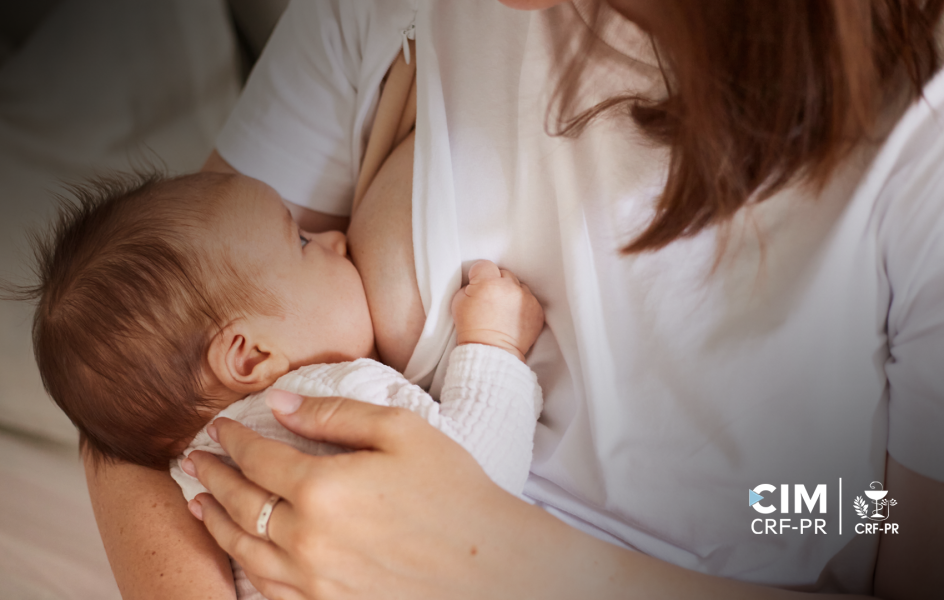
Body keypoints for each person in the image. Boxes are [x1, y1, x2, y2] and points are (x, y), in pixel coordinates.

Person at [87, 0, 944, 598]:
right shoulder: (394, 14)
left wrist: (491, 562)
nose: (334, 240)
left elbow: (902, 554)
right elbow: (137, 386)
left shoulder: (921, 134)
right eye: (310, 242)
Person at [23, 168, 544, 598]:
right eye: (300, 240)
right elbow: (478, 489)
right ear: (250, 357)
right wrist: (494, 343)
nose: (336, 239)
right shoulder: (333, 399)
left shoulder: (192, 484)